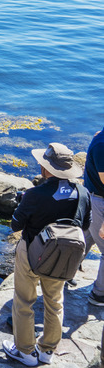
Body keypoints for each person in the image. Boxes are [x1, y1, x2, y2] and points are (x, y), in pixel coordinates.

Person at [2, 143, 91, 366]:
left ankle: (24, 351)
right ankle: (47, 350)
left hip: (33, 251)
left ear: (45, 169)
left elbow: (15, 226)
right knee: (55, 302)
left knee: (24, 300)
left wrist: (21, 203)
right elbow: (86, 225)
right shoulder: (83, 193)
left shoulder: (34, 194)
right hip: (64, 255)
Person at [83, 128, 104, 306]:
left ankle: (65, 275)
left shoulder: (100, 138)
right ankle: (99, 294)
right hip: (99, 201)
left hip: (94, 197)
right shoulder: (102, 144)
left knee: (86, 238)